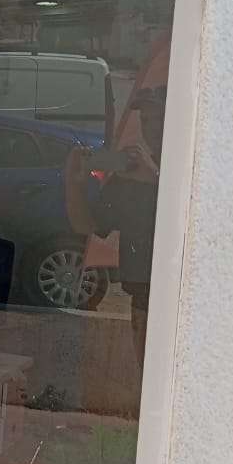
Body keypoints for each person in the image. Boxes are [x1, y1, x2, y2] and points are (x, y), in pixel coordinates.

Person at [65, 86, 165, 363]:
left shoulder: (195, 167)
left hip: (188, 301)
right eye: (146, 120)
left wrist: (155, 178)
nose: (152, 128)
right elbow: (86, 226)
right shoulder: (130, 176)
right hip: (144, 301)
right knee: (147, 380)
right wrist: (73, 184)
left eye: (160, 118)